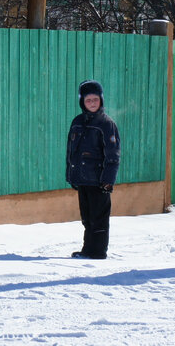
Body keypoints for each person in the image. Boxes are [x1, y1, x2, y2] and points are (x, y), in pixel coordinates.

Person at [65, 79, 121, 259]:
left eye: (95, 99)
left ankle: (97, 252)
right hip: (83, 179)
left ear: (101, 100)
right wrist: (72, 175)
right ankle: (88, 249)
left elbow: (113, 155)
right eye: (88, 100)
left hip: (99, 181)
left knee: (99, 219)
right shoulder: (77, 122)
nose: (92, 103)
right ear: (82, 101)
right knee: (87, 218)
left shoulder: (106, 124)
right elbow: (71, 152)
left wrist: (107, 181)